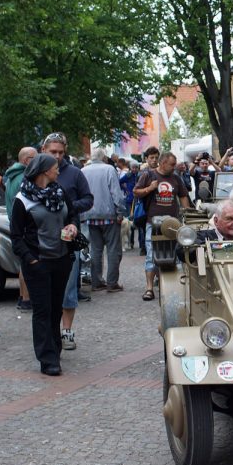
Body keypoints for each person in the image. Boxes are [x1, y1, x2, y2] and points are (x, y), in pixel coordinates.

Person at [10, 154, 77, 375]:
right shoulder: (23, 199)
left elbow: (72, 215)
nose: (58, 170)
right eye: (55, 167)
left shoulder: (60, 192)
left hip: (62, 259)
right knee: (42, 310)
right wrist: (31, 259)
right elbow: (16, 236)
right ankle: (47, 359)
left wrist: (72, 226)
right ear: (44, 171)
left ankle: (54, 349)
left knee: (56, 307)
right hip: (38, 263)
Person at [42, 132, 94, 351]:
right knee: (45, 289)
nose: (57, 156)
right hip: (43, 238)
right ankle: (48, 331)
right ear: (44, 150)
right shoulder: (35, 173)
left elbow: (88, 199)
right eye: (53, 152)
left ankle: (67, 330)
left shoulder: (74, 173)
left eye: (61, 152)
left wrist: (68, 207)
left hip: (68, 236)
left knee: (69, 286)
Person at [133, 151, 190, 301]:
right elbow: (136, 192)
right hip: (152, 223)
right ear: (163, 163)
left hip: (173, 224)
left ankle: (175, 287)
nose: (174, 167)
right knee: (151, 256)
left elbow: (183, 196)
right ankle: (149, 288)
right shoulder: (148, 175)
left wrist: (188, 215)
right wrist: (150, 188)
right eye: (172, 164)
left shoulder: (176, 178)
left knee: (175, 254)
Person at [81, 148, 126, 293]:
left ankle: (97, 282)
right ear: (104, 158)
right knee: (113, 250)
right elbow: (116, 193)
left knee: (95, 250)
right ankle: (112, 283)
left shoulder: (83, 171)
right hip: (108, 215)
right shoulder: (109, 169)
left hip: (90, 215)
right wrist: (120, 212)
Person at [4, 147, 37, 310]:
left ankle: (23, 296)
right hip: (23, 226)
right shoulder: (24, 177)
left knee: (23, 264)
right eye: (34, 158)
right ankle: (26, 298)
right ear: (26, 160)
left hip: (16, 224)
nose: (37, 161)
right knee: (26, 263)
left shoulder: (11, 176)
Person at [120, 161, 140, 250]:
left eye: (136, 167)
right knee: (130, 221)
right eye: (133, 167)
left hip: (138, 200)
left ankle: (139, 242)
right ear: (130, 168)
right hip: (129, 200)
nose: (134, 169)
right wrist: (125, 189)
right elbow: (119, 182)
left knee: (138, 220)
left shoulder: (140, 175)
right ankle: (130, 242)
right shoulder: (128, 176)